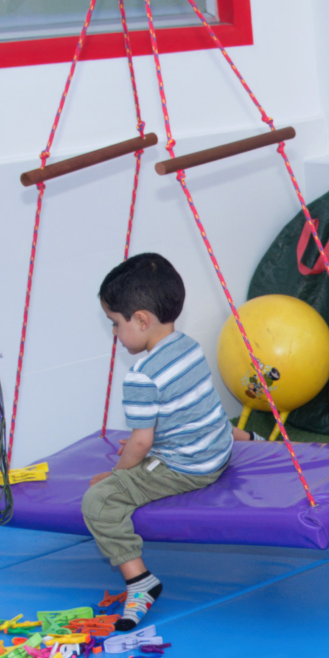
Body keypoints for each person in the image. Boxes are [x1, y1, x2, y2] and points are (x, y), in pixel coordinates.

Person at [82, 253, 234, 616]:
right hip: (218, 447)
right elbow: (189, 407)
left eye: (115, 324)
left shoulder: (141, 375)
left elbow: (141, 442)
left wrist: (120, 474)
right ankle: (248, 438)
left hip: (191, 466)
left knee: (98, 502)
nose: (115, 334)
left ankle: (140, 581)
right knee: (149, 440)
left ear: (141, 319)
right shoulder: (188, 345)